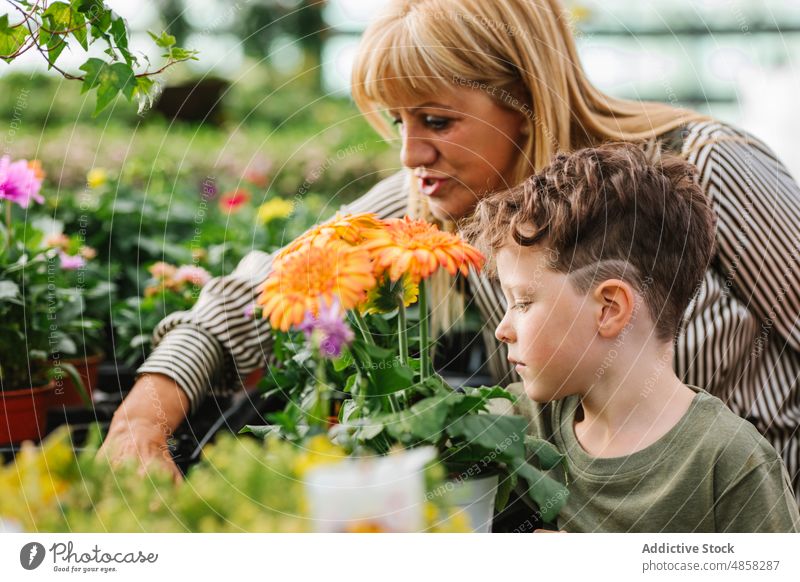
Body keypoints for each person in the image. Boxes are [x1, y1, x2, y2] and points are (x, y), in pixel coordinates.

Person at [100, 0, 800, 504]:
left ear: (526, 97)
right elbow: (271, 287)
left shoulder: (706, 171)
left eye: (436, 120)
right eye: (398, 121)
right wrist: (139, 424)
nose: (409, 154)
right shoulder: (447, 199)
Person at [463, 143, 800, 532]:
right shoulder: (522, 424)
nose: (502, 330)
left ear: (609, 308)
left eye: (522, 302)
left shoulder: (731, 464)